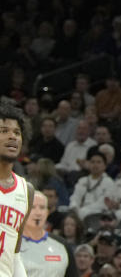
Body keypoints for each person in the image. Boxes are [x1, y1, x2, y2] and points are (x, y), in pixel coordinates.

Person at [0, 104, 36, 277]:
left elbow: (14, 254)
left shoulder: (26, 190)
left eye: (17, 132)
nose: (12, 137)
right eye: (4, 130)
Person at [19, 190, 76, 277]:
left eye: (42, 208)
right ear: (23, 211)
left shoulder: (62, 245)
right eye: (32, 207)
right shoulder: (11, 244)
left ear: (47, 212)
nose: (38, 213)